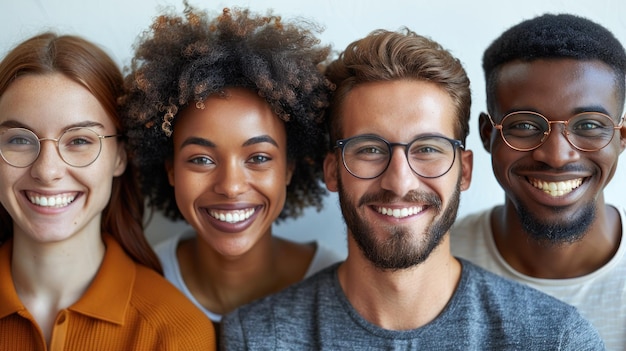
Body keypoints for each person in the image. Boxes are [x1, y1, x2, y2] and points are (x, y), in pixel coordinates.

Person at [221, 28, 605, 350]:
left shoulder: (554, 339)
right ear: (333, 171)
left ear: (464, 171)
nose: (399, 182)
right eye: (370, 149)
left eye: (427, 149)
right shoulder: (259, 338)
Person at [121, 3, 342, 331]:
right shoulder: (139, 286)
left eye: (259, 157)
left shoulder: (338, 290)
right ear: (169, 169)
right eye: (201, 160)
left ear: (289, 168)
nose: (231, 186)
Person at [0, 32, 216, 350]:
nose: (47, 171)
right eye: (19, 139)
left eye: (79, 141)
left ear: (119, 156)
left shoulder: (175, 333)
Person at [450, 13, 626, 350]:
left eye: (588, 125)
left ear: (621, 137)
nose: (557, 156)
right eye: (526, 126)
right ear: (488, 135)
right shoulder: (437, 264)